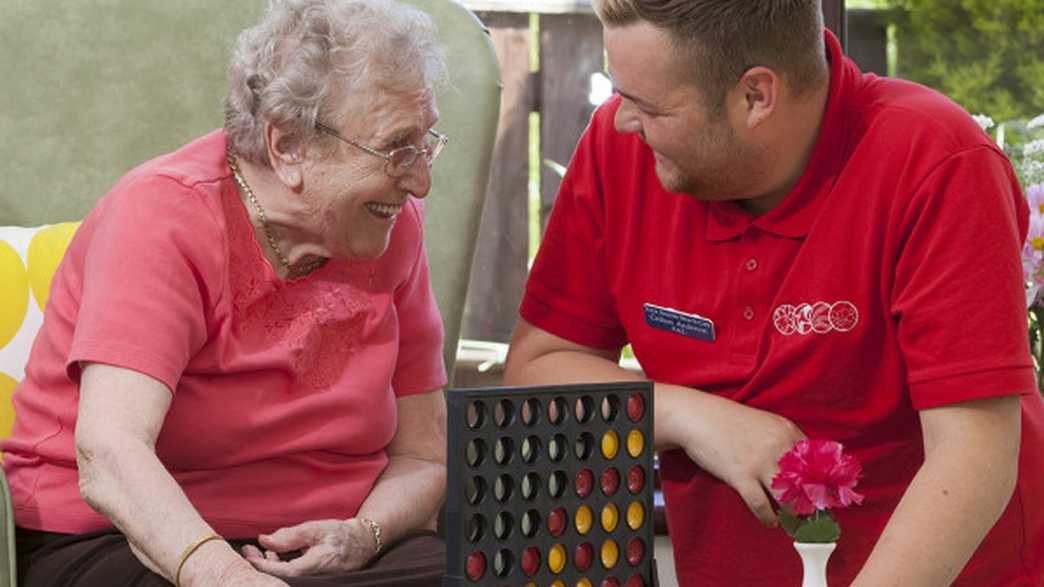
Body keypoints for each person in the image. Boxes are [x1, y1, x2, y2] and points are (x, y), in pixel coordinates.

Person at [504, 1, 1044, 585]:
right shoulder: (620, 154)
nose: (621, 122)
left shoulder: (937, 161)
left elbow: (974, 455)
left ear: (756, 96)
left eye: (649, 106)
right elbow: (539, 372)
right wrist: (692, 417)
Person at [1, 0, 452, 585]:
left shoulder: (387, 226)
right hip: (125, 539)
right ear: (288, 145)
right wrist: (224, 575)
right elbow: (110, 454)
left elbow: (424, 453)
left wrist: (361, 535)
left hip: (332, 549)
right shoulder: (163, 216)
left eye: (425, 144)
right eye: (396, 148)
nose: (420, 181)